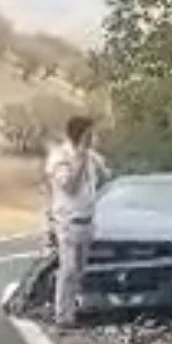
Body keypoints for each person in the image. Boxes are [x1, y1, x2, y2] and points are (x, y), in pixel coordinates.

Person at [44, 115, 109, 330]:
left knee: (79, 269)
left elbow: (105, 176)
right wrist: (80, 159)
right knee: (69, 269)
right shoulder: (61, 157)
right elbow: (69, 186)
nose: (94, 138)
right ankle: (63, 315)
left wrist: (94, 162)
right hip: (67, 221)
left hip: (87, 219)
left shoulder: (92, 157)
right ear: (81, 135)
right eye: (91, 134)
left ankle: (72, 308)